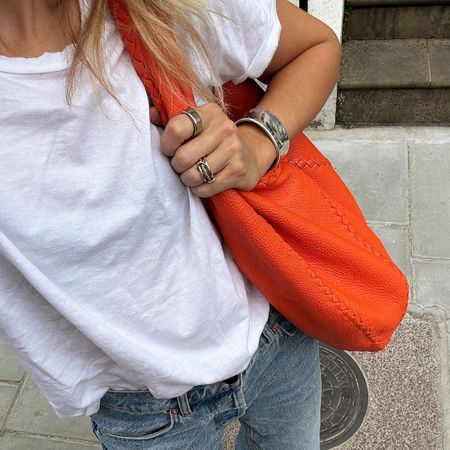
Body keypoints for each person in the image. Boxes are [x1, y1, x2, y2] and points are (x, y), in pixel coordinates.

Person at [0, 0, 340, 448]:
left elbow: (316, 46)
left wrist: (257, 144)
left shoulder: (165, 8)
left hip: (275, 336)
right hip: (143, 412)